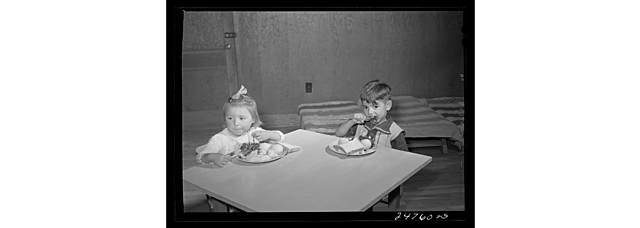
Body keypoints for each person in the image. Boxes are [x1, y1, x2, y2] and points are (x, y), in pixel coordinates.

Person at [196, 85, 286, 167]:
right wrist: (212, 157)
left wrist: (269, 135)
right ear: (225, 119)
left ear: (253, 119)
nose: (236, 123)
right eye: (230, 118)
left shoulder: (253, 133)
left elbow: (281, 136)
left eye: (242, 118)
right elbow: (200, 157)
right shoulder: (219, 139)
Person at [335, 79, 408, 152]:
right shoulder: (362, 124)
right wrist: (352, 122)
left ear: (388, 106)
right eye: (366, 107)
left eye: (375, 107)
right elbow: (339, 133)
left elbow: (404, 157)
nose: (369, 112)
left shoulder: (395, 132)